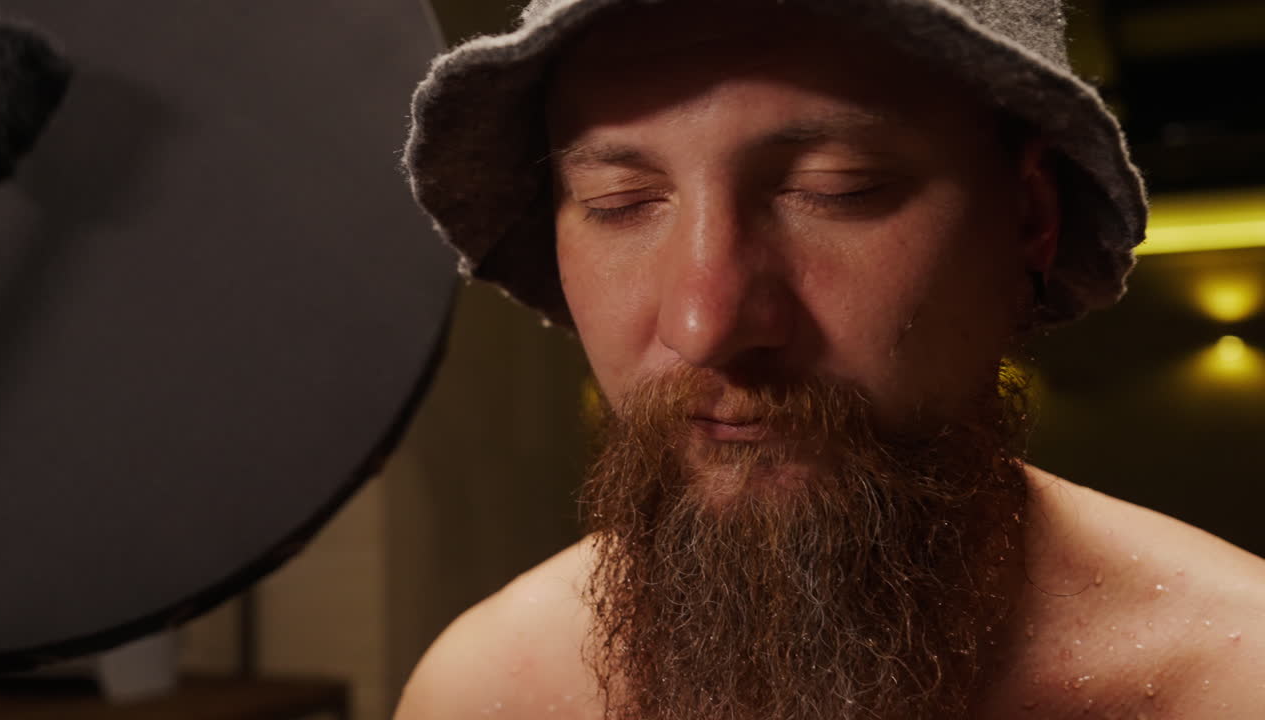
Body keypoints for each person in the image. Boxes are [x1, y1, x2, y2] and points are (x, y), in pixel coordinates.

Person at [395, 0, 1265, 717]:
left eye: (836, 187)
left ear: (1029, 216)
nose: (706, 322)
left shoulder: (1235, 679)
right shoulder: (489, 694)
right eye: (619, 202)